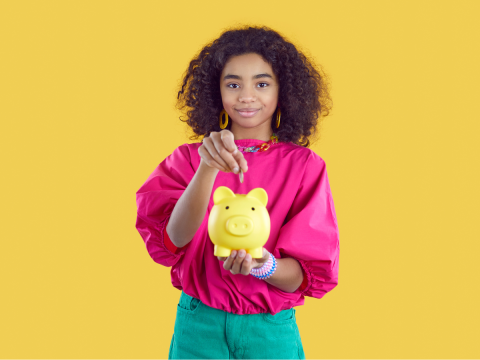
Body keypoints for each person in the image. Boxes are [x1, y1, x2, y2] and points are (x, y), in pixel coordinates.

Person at [135, 25, 339, 359]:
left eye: (261, 83)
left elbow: (301, 278)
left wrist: (264, 264)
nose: (246, 96)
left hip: (269, 329)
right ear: (216, 92)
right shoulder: (188, 159)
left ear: (282, 91)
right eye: (233, 84)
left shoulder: (305, 166)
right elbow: (173, 239)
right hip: (199, 325)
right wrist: (208, 166)